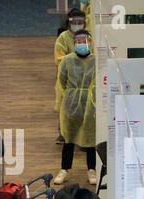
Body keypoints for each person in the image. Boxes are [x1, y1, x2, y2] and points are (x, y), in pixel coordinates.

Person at [54, 30, 97, 186]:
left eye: (84, 40)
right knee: (68, 137)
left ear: (90, 42)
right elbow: (62, 81)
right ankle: (65, 169)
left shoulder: (96, 61)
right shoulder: (67, 61)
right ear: (74, 43)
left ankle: (92, 170)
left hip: (91, 104)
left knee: (90, 137)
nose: (81, 44)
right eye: (78, 41)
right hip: (71, 103)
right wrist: (70, 97)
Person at [54, 9, 87, 145]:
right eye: (75, 22)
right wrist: (76, 58)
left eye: (81, 22)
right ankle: (63, 133)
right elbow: (59, 58)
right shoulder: (63, 38)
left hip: (85, 78)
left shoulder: (88, 37)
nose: (78, 25)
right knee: (64, 106)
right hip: (67, 79)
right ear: (69, 22)